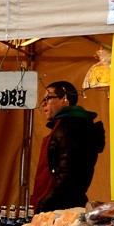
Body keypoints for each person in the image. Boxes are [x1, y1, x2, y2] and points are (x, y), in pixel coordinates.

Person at [32, 81, 106, 213]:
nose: (43, 104)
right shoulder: (64, 126)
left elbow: (69, 178)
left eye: (48, 98)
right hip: (58, 207)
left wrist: (45, 204)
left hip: (61, 210)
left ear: (64, 99)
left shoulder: (71, 128)